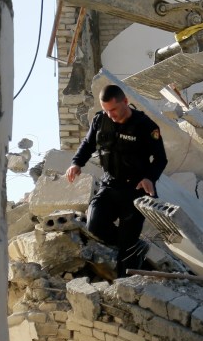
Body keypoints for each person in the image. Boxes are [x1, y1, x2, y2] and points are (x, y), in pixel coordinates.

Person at [66, 84, 167, 278]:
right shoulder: (100, 121)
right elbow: (88, 144)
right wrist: (76, 163)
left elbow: (161, 158)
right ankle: (133, 246)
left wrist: (149, 178)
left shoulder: (146, 126)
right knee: (94, 225)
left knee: (125, 252)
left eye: (113, 109)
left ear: (125, 102)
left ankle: (125, 281)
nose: (111, 115)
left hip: (136, 190)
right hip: (110, 185)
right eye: (106, 110)